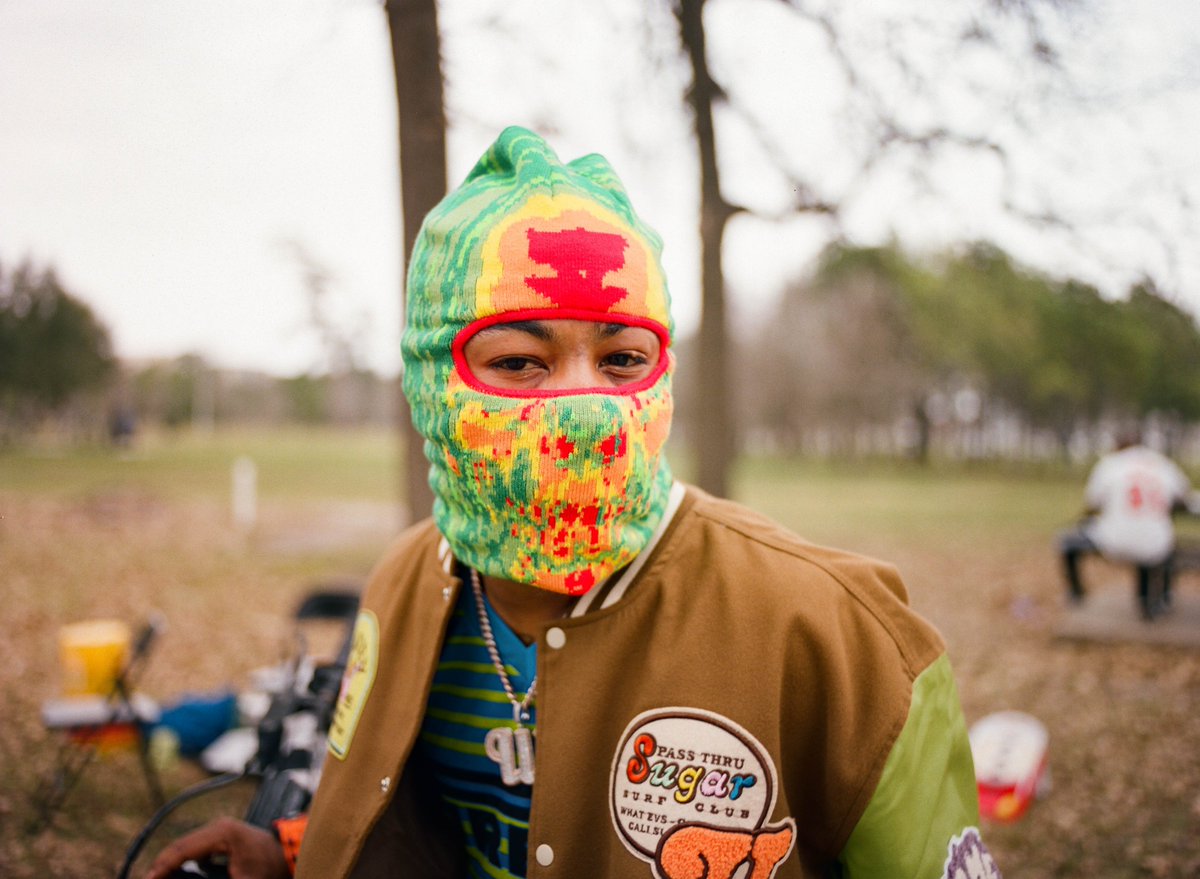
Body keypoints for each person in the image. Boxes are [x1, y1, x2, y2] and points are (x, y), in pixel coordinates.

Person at [147, 126, 998, 879]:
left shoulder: (844, 640)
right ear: (433, 384)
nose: (585, 407)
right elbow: (425, 823)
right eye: (521, 362)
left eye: (624, 359)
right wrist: (298, 850)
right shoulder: (405, 581)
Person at [1059, 429, 1194, 619]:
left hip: (1113, 541)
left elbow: (1093, 503)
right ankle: (1152, 602)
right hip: (1157, 545)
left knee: (1066, 542)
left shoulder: (1111, 464)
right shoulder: (1162, 464)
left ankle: (1077, 593)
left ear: (1118, 445)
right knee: (1154, 545)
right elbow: (1185, 500)